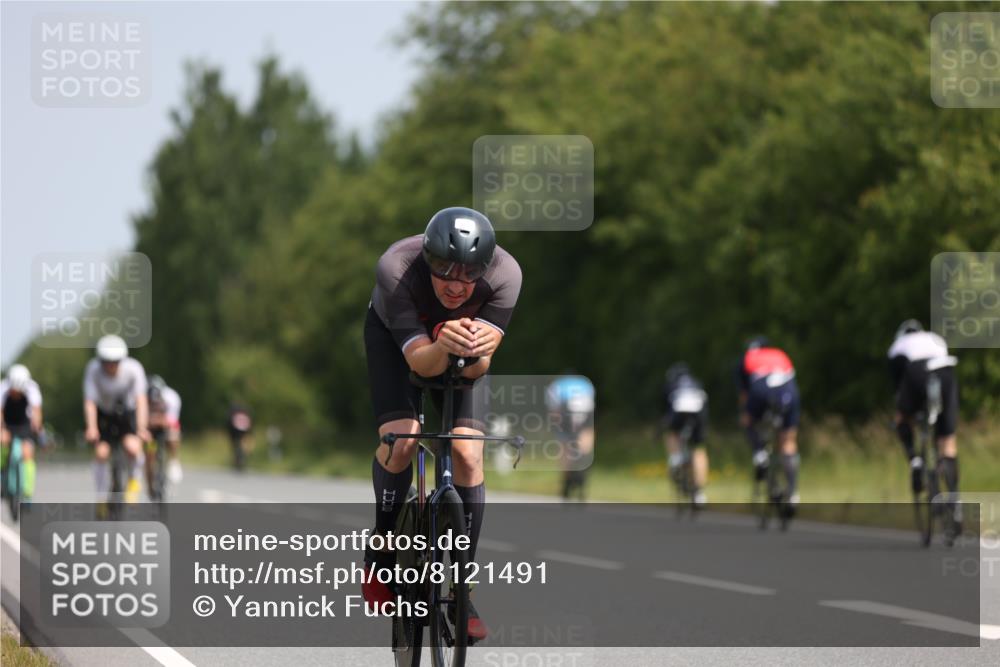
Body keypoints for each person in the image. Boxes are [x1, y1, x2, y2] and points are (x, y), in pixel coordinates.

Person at [362, 206, 521, 641]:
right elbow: (419, 361)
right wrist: (445, 343)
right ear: (426, 257)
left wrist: (477, 354)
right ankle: (382, 545)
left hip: (459, 349)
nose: (455, 284)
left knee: (469, 454)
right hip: (398, 341)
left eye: (469, 274)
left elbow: (476, 370)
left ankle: (463, 589)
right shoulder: (396, 267)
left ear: (486, 268)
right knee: (404, 442)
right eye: (443, 268)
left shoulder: (507, 275)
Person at [888, 319, 959, 504]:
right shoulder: (934, 338)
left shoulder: (897, 346)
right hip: (946, 370)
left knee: (901, 418)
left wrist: (906, 412)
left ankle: (915, 460)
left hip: (916, 372)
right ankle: (954, 498)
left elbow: (899, 386)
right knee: (948, 441)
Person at [83, 334, 150, 503]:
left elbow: (141, 400)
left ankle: (134, 481)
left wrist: (142, 428)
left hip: (127, 413)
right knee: (101, 452)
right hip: (104, 414)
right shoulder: (93, 370)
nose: (111, 366)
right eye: (106, 362)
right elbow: (90, 402)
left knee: (133, 448)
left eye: (115, 362)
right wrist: (91, 427)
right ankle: (101, 497)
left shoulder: (134, 369)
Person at [737, 336, 801, 511]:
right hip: (787, 390)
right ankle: (793, 494)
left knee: (748, 421)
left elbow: (744, 394)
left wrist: (748, 414)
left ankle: (760, 454)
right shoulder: (779, 353)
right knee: (788, 440)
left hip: (761, 389)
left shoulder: (747, 358)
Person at [662, 362, 709, 507]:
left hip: (678, 411)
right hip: (699, 412)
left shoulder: (671, 384)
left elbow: (665, 410)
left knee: (672, 433)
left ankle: (675, 458)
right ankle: (699, 493)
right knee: (698, 449)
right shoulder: (697, 382)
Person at [545, 374, 596, 501]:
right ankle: (581, 481)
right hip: (585, 415)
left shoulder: (557, 387)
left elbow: (554, 413)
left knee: (565, 451)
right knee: (585, 449)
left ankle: (567, 482)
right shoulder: (585, 384)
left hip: (566, 416)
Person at [1, 364, 44, 503]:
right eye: (14, 391)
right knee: (3, 445)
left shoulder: (32, 388)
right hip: (7, 422)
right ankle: (2, 474)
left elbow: (36, 411)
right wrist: (2, 430)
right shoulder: (2, 388)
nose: (16, 394)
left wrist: (37, 428)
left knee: (27, 453)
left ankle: (27, 493)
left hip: (24, 423)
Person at [147, 375, 184, 484]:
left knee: (173, 435)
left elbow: (173, 421)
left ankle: (173, 459)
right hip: (150, 429)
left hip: (165, 426)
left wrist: (158, 421)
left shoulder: (171, 397)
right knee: (149, 449)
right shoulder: (142, 395)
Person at [227, 402, 253, 472]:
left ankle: (238, 459)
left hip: (235, 431)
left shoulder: (233, 412)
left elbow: (229, 423)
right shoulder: (245, 412)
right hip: (244, 430)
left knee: (235, 445)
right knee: (243, 444)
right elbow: (250, 423)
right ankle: (243, 457)